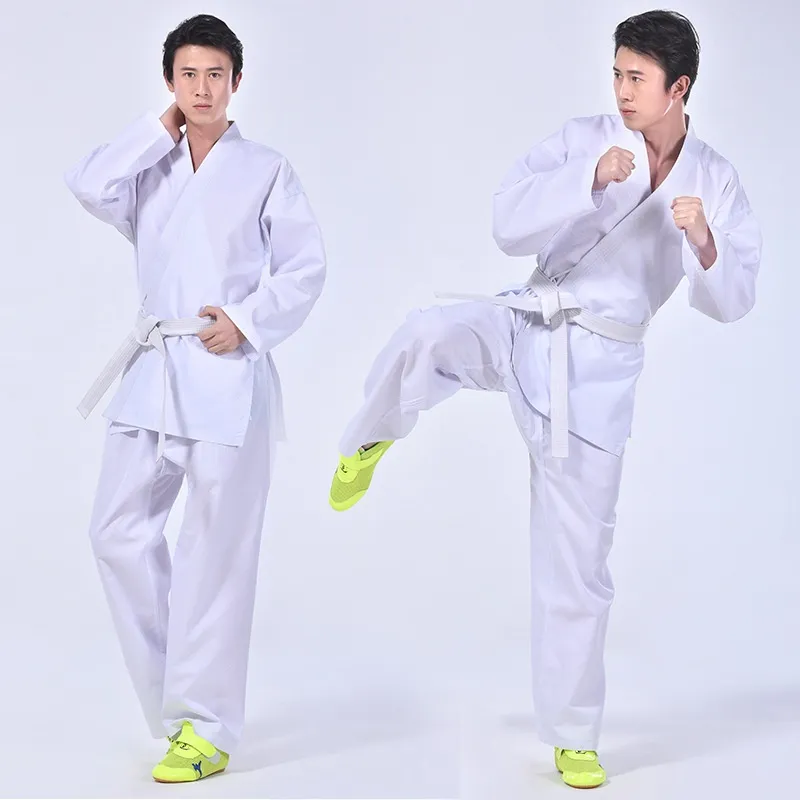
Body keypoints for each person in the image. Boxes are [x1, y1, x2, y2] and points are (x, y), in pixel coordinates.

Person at [328, 9, 760, 790]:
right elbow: (506, 222)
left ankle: (574, 736)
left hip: (598, 374)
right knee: (427, 333)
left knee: (578, 565)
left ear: (680, 87)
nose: (621, 90)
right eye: (617, 73)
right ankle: (370, 437)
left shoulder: (716, 180)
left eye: (637, 78)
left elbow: (735, 300)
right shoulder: (585, 139)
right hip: (529, 318)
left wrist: (703, 241)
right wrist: (584, 180)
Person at [65, 14, 326, 784]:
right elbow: (88, 184)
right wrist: (159, 129)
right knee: (116, 532)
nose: (203, 88)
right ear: (170, 82)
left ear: (237, 81)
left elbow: (305, 268)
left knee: (214, 551)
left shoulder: (267, 169)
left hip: (225, 372)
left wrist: (245, 320)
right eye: (189, 75)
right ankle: (177, 704)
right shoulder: (150, 168)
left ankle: (204, 728)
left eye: (215, 74)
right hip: (153, 368)